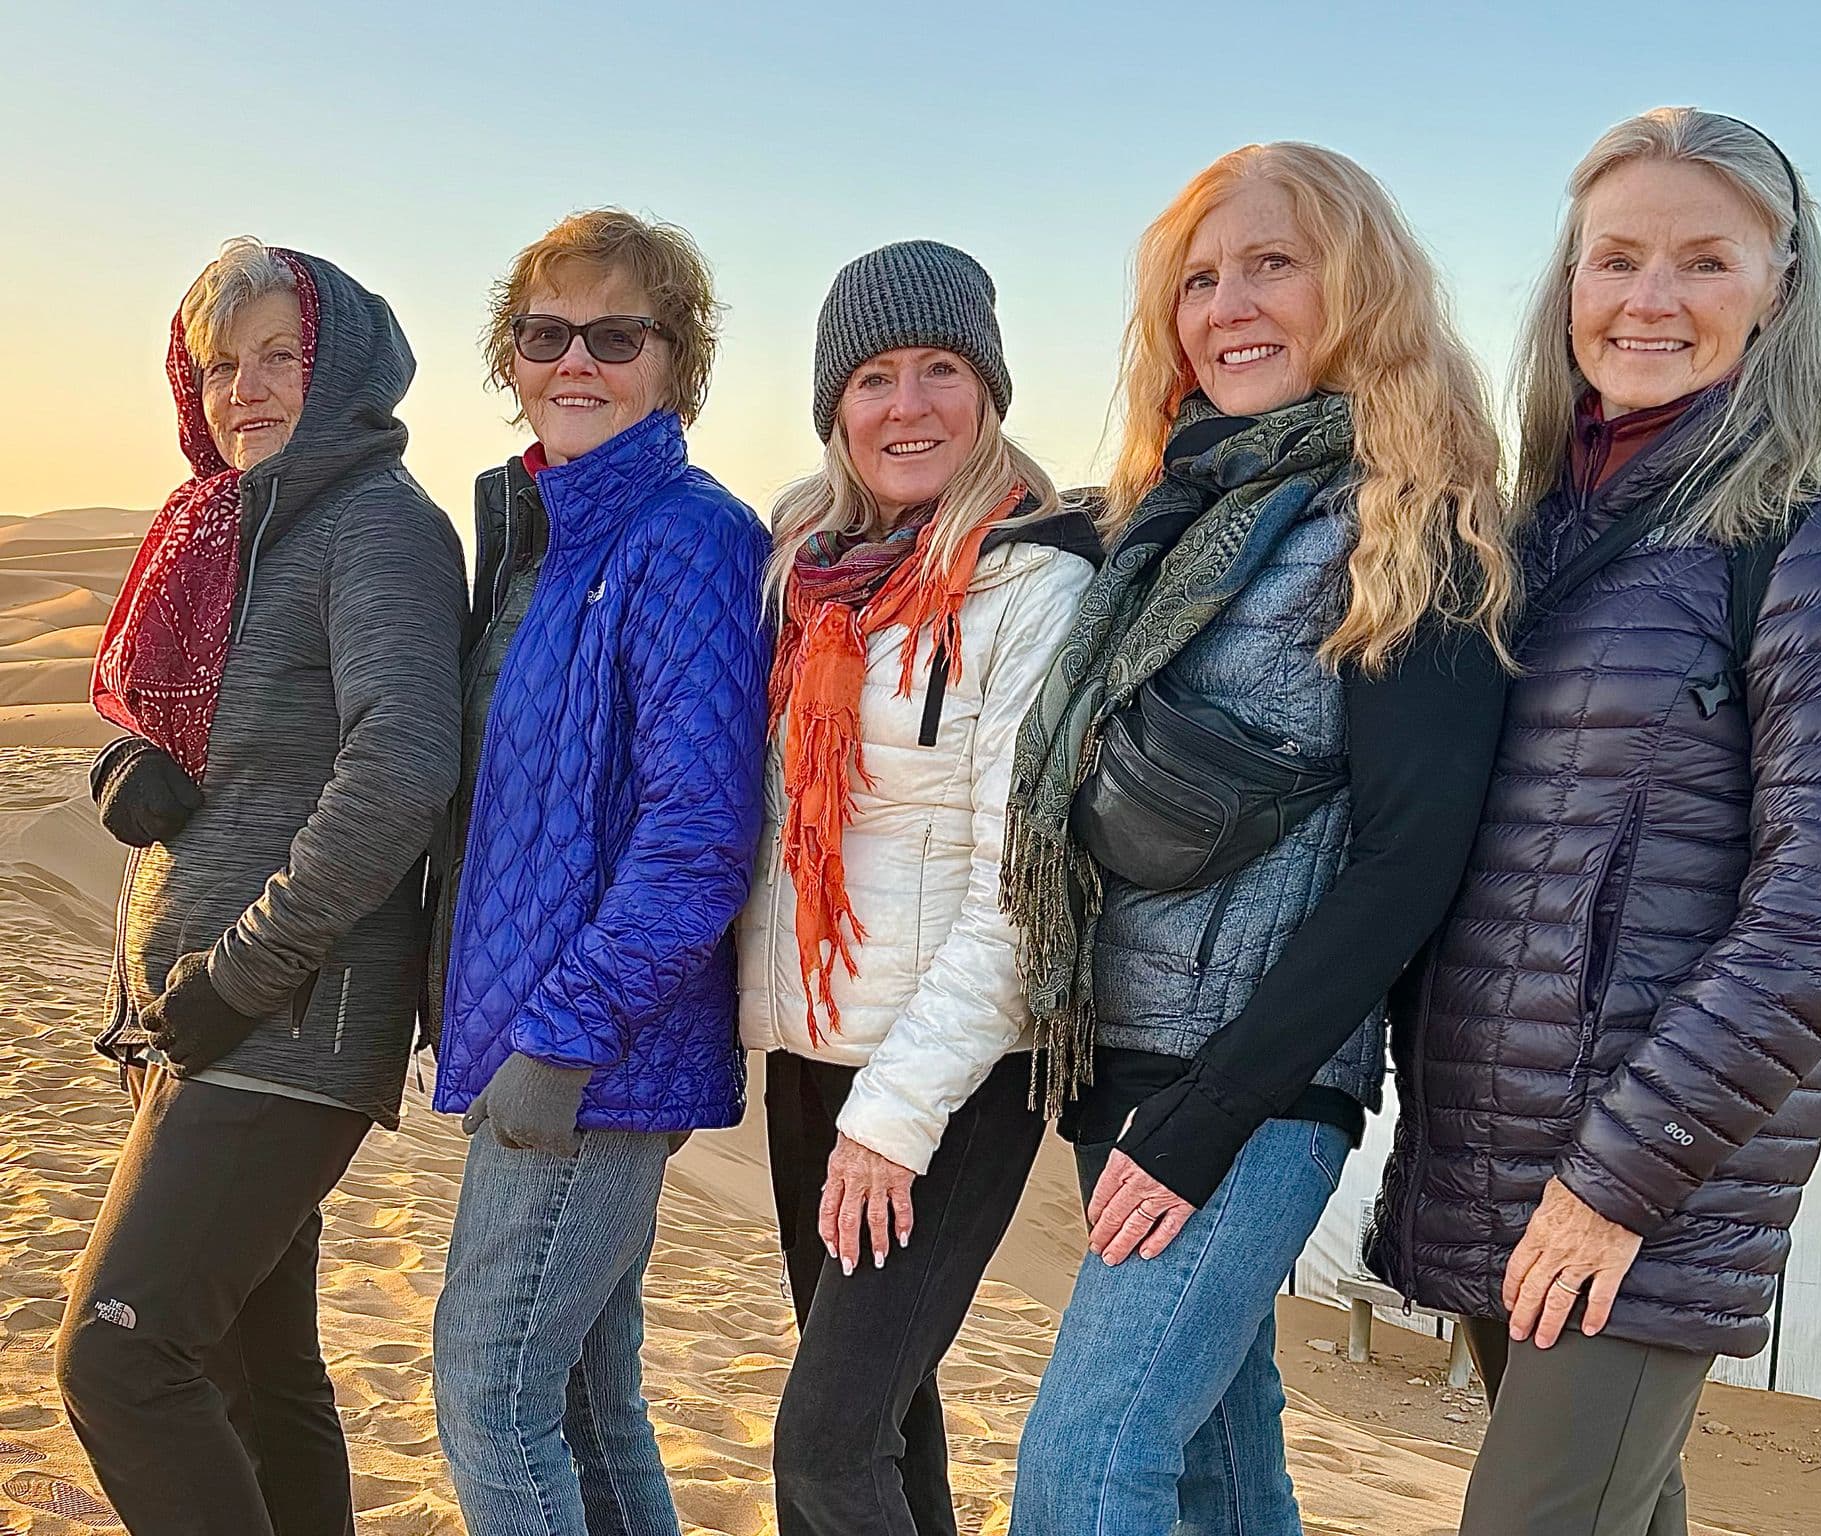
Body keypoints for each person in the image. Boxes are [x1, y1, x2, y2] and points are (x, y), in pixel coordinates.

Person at [1366, 108, 1821, 1536]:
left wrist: (1616, 1185)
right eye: (1613, 257)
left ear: (1783, 285)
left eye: (1704, 261)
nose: (1647, 299)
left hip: (1653, 1176)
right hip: (1504, 1144)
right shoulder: (1542, 521)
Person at [1004, 143, 1519, 1535]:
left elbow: (1409, 865)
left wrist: (1201, 1126)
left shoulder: (1414, 526)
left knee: (1080, 1470)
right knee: (1227, 1476)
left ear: (1359, 287)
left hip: (1245, 1092)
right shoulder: (1177, 513)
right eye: (1198, 280)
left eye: (1273, 264)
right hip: (1113, 1055)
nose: (1228, 304)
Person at [57, 239, 465, 1536]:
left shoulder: (374, 526)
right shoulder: (227, 534)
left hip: (282, 1023)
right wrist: (127, 765)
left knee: (120, 1356)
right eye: (222, 365)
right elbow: (214, 727)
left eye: (280, 356)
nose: (248, 389)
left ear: (337, 363)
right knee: (253, 1372)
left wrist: (242, 972)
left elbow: (402, 771)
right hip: (207, 1018)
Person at [737, 240, 1098, 1535]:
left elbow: (1022, 887)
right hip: (808, 1051)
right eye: (875, 376)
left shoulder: (1038, 582)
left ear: (989, 389)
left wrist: (892, 1117)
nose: (908, 405)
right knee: (888, 1422)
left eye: (940, 368)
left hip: (950, 1075)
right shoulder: (806, 571)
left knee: (825, 1451)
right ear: (835, 405)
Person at [427, 209, 771, 1536]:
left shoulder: (683, 534)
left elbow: (698, 838)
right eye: (545, 333)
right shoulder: (554, 539)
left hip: (589, 1059)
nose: (576, 361)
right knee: (577, 1396)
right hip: (538, 1037)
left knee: (485, 1392)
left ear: (673, 362)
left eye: (615, 335)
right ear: (509, 356)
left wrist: (561, 1039)